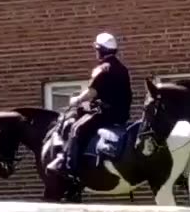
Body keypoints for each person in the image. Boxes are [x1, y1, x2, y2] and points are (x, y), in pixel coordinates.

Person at [47, 32, 132, 179]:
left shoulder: (102, 68)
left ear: (101, 50)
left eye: (97, 49)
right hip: (121, 114)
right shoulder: (122, 68)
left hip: (105, 113)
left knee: (77, 128)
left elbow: (92, 92)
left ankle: (68, 166)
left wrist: (77, 100)